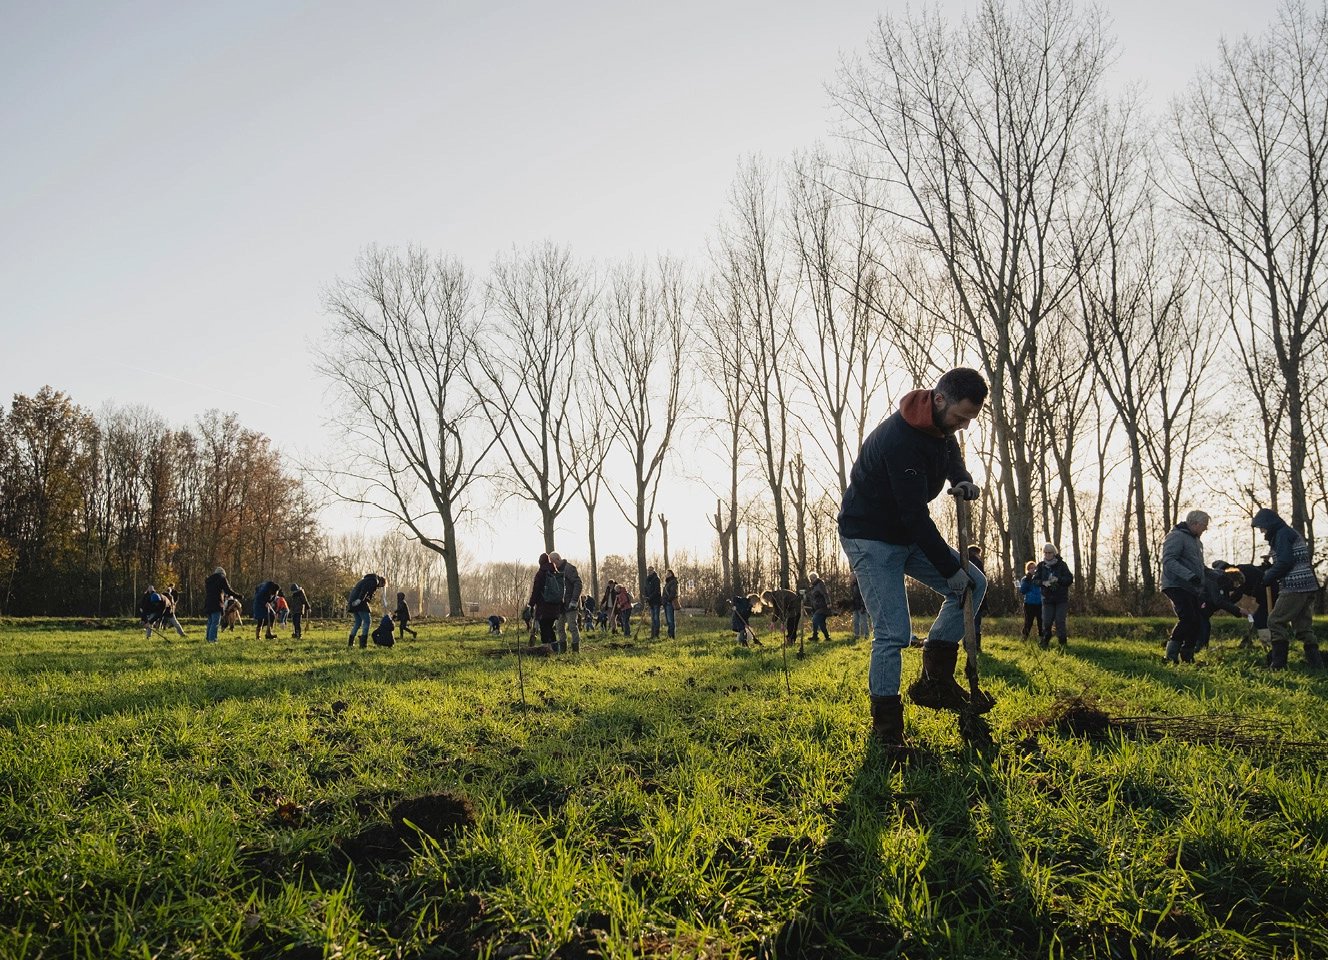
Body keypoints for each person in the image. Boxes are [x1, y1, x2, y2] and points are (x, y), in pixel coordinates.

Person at [837, 367, 989, 755]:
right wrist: (950, 570)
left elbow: (949, 448)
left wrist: (962, 476)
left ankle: (934, 681)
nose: (963, 426)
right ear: (939, 400)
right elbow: (914, 517)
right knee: (893, 632)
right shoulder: (899, 440)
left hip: (905, 532)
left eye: (970, 420)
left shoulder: (940, 427)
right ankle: (887, 733)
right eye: (960, 417)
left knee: (977, 583)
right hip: (870, 536)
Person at [1253, 508, 1323, 669]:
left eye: (1262, 527)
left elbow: (1286, 562)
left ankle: (1278, 665)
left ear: (1269, 524)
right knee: (1303, 628)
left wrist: (1268, 577)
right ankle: (1317, 665)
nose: (1261, 531)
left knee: (1275, 621)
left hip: (1294, 585)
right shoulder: (1287, 532)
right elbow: (1289, 559)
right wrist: (1271, 568)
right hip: (1307, 584)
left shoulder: (1282, 534)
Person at [1160, 511, 1209, 663]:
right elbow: (1169, 560)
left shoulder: (1196, 542)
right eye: (1204, 526)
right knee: (1188, 617)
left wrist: (1217, 575)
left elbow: (1198, 567)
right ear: (1194, 524)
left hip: (1191, 587)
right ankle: (1170, 656)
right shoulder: (1176, 536)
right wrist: (1189, 576)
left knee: (1197, 620)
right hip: (1175, 584)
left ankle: (1187, 656)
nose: (1205, 529)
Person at [1196, 565, 1244, 653]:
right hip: (1198, 603)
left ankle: (1202, 649)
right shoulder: (1216, 579)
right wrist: (1239, 611)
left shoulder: (1223, 582)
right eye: (1237, 584)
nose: (1236, 587)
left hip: (1203, 605)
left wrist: (1237, 611)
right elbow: (1218, 601)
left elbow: (1225, 601)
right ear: (1233, 579)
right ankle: (1198, 649)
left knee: (1205, 625)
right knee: (1203, 626)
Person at [1034, 544, 1074, 649]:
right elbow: (1035, 580)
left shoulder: (1062, 565)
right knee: (1046, 622)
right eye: (1045, 553)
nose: (1047, 555)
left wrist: (1059, 579)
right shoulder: (1041, 566)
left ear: (1054, 553)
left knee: (1060, 621)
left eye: (1050, 552)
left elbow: (1069, 579)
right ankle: (1045, 642)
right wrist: (1043, 582)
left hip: (1061, 599)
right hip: (1047, 599)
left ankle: (1063, 643)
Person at [549, 551, 582, 653]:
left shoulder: (569, 568)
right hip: (559, 605)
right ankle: (563, 650)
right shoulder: (554, 571)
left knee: (572, 626)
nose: (551, 563)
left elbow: (578, 584)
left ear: (557, 559)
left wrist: (574, 600)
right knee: (559, 628)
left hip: (570, 604)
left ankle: (575, 650)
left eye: (552, 561)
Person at [203, 567, 243, 643]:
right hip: (217, 603)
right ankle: (212, 639)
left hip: (208, 602)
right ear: (223, 573)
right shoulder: (222, 578)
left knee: (210, 622)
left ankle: (208, 638)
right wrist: (238, 596)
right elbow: (228, 590)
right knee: (215, 622)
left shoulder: (209, 580)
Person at [529, 553, 561, 648]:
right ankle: (556, 649)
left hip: (544, 606)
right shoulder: (555, 572)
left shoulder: (541, 573)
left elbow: (536, 590)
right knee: (550, 627)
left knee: (544, 627)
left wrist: (531, 604)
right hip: (555, 606)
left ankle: (545, 650)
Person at [347, 573, 384, 649]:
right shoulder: (374, 581)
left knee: (358, 622)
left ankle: (351, 642)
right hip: (359, 601)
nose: (378, 587)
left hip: (352, 601)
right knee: (367, 621)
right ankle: (363, 644)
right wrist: (359, 600)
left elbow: (365, 591)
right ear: (381, 582)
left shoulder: (366, 580)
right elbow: (365, 590)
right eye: (381, 586)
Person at [966, 546, 990, 650]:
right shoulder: (977, 563)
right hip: (977, 597)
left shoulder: (963, 562)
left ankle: (967, 645)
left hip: (966, 597)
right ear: (975, 553)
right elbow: (983, 582)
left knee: (966, 623)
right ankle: (976, 646)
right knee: (976, 624)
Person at [1017, 560, 1043, 640]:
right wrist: (1027, 581)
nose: (1033, 569)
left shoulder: (1040, 578)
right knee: (1028, 622)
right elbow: (1022, 590)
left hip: (1040, 603)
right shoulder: (1025, 579)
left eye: (1034, 568)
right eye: (1031, 568)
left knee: (1041, 622)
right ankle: (1024, 637)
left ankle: (1042, 638)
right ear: (1027, 569)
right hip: (1029, 604)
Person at [807, 573, 832, 643]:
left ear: (815, 578)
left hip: (823, 607)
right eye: (810, 579)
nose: (810, 580)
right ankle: (827, 637)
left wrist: (828, 603)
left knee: (815, 619)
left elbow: (825, 593)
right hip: (818, 608)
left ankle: (815, 636)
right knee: (821, 623)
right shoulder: (814, 586)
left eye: (811, 579)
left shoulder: (820, 584)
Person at [847, 574, 869, 642]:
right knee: (855, 621)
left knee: (863, 621)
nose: (850, 578)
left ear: (855, 577)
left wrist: (863, 606)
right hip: (855, 606)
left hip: (861, 606)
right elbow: (853, 597)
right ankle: (856, 635)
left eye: (851, 577)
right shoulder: (852, 585)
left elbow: (863, 596)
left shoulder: (860, 584)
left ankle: (866, 635)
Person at [644, 567, 663, 639]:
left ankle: (656, 634)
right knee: (652, 618)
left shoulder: (656, 579)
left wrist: (650, 597)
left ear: (653, 571)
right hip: (650, 602)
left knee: (656, 618)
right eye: (648, 570)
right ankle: (652, 635)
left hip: (656, 601)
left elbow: (657, 591)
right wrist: (646, 597)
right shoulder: (647, 579)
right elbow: (645, 589)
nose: (649, 571)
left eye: (650, 570)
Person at [662, 569, 679, 639]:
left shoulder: (673, 582)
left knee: (670, 620)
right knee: (668, 621)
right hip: (666, 603)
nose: (667, 574)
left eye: (669, 573)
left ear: (672, 574)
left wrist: (668, 600)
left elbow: (673, 593)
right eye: (666, 573)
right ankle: (669, 635)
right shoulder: (667, 583)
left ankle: (672, 636)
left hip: (669, 603)